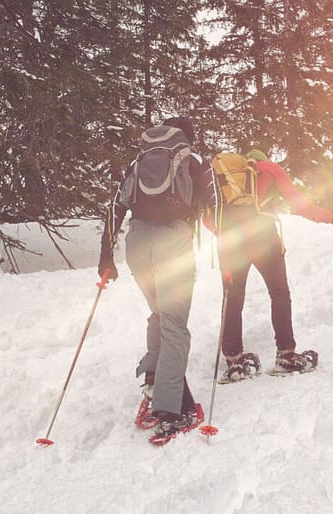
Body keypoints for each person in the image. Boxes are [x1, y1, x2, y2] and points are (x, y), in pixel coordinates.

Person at [98, 116, 213, 445]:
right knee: (175, 324)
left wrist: (106, 254)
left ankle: (154, 382)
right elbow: (216, 207)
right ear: (188, 138)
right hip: (172, 244)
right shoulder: (194, 161)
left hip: (138, 245)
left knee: (160, 314)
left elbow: (116, 206)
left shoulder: (140, 161)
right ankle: (171, 409)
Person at [206, 149, 333, 383]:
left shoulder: (222, 178)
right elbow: (298, 204)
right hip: (264, 237)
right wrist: (326, 215)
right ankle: (286, 355)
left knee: (233, 299)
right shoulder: (270, 169)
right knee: (279, 293)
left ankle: (234, 363)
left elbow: (206, 215)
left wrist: (221, 231)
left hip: (232, 241)